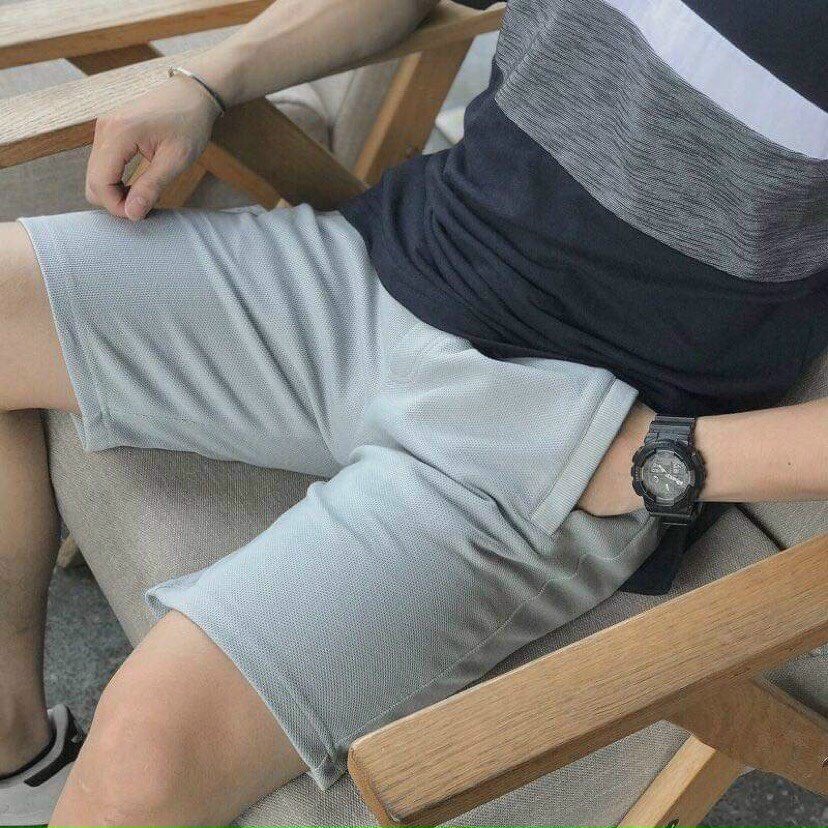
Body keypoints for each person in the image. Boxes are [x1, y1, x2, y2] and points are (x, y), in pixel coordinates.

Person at [1, 0, 825, 824]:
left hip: (563, 431)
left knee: (147, 750)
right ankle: (15, 749)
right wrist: (208, 80)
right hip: (382, 259)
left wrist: (665, 461)